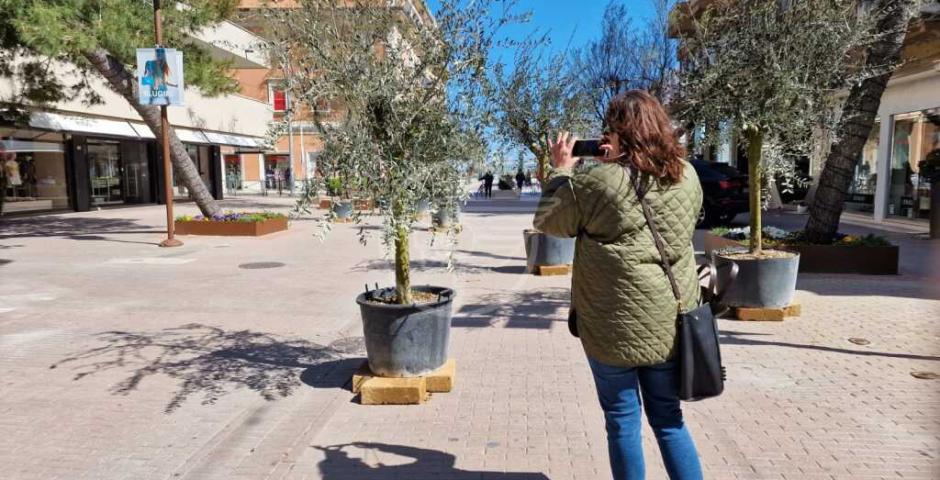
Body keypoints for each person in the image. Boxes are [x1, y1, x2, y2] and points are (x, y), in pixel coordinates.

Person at [534, 90, 704, 480]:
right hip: (669, 319)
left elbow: (549, 222)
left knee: (622, 420)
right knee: (669, 419)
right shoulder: (688, 175)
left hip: (611, 323)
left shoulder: (595, 179)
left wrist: (562, 170)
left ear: (616, 131)